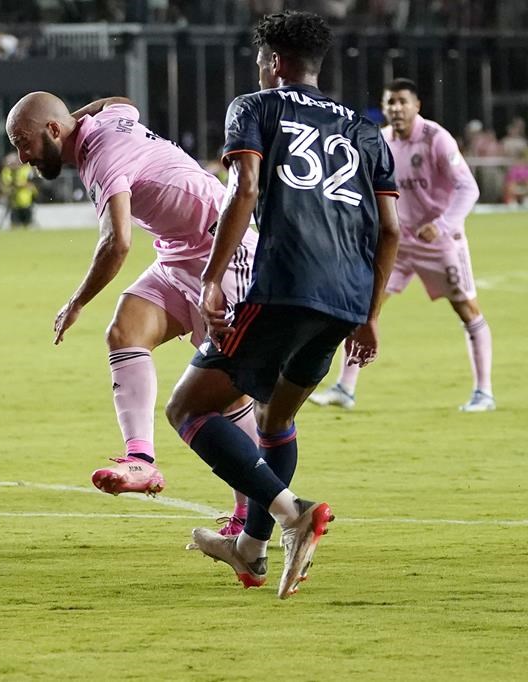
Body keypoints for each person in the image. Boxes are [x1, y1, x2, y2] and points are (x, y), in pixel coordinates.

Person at [164, 11, 400, 598]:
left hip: (286, 284)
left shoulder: (256, 106)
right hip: (346, 297)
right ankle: (252, 549)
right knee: (275, 419)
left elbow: (243, 189)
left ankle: (295, 513)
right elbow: (390, 229)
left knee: (189, 410)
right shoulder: (366, 131)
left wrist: (214, 278)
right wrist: (369, 315)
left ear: (272, 63)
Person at [5, 91, 259, 535]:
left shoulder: (103, 159)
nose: (22, 156)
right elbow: (119, 100)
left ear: (51, 131)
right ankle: (141, 462)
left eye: (22, 142)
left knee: (227, 391)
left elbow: (117, 242)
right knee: (124, 332)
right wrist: (70, 122)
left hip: (223, 251)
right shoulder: (104, 126)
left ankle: (256, 508)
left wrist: (77, 301)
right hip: (179, 252)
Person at [310, 78, 494, 412]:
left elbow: (468, 189)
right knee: (364, 309)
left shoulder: (436, 139)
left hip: (439, 244)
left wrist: (441, 226)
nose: (396, 108)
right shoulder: (380, 141)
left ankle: (484, 392)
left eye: (402, 101)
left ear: (416, 105)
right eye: (390, 102)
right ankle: (344, 389)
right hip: (396, 244)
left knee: (466, 310)